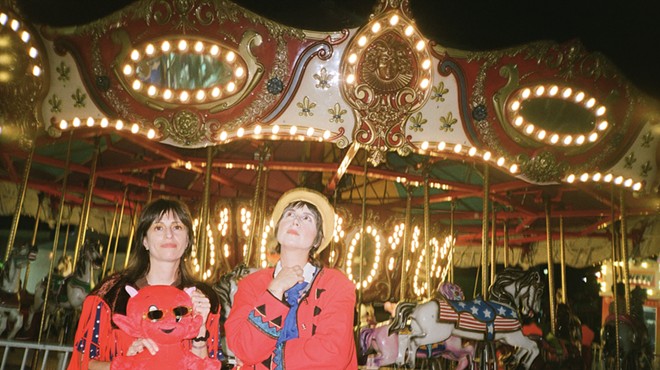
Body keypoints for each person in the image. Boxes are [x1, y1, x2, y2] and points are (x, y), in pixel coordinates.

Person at [68, 198, 222, 369]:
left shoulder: (203, 298)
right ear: (145, 241)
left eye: (177, 227)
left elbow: (207, 364)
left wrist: (200, 334)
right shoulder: (112, 294)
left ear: (187, 241)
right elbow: (84, 363)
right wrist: (124, 363)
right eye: (158, 227)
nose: (169, 234)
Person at [226, 187, 357, 369]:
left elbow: (332, 353)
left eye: (307, 218)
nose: (295, 221)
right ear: (278, 227)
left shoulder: (337, 285)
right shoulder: (251, 284)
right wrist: (275, 290)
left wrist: (265, 361)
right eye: (289, 214)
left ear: (317, 240)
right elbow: (243, 348)